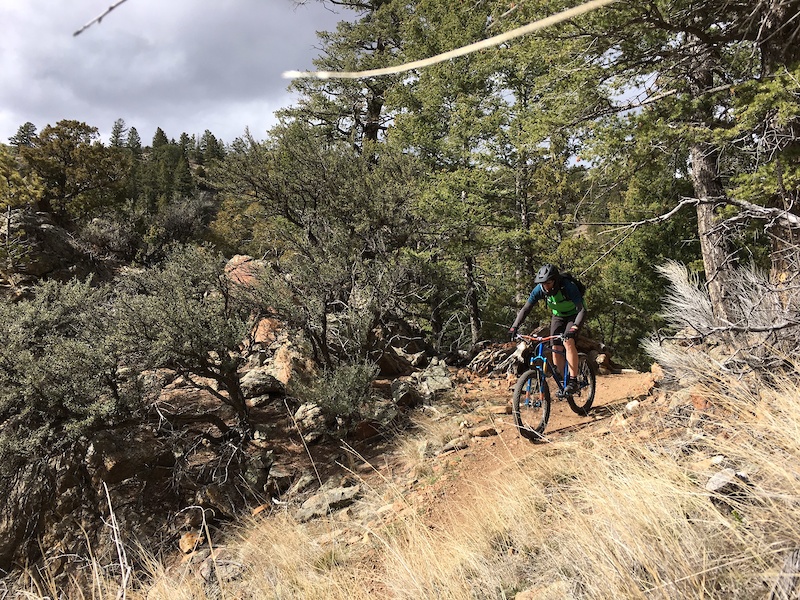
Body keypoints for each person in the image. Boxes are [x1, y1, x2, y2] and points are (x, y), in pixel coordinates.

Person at [509, 264, 587, 395]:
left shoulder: (568, 286)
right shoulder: (539, 289)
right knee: (555, 347)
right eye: (543, 283)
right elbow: (526, 308)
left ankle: (573, 381)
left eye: (548, 283)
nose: (546, 286)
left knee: (568, 342)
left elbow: (582, 310)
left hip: (575, 314)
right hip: (559, 315)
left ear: (555, 280)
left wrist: (574, 328)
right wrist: (514, 326)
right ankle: (564, 381)